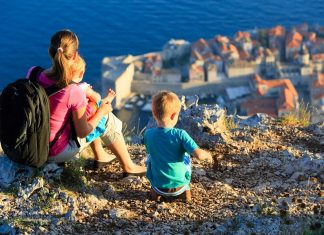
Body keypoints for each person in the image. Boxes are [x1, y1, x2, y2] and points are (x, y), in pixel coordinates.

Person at [27, 29, 146, 175]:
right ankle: (129, 167)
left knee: (88, 109)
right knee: (106, 117)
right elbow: (83, 132)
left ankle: (101, 156)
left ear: (50, 51)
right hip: (53, 152)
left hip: (32, 143)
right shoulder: (72, 90)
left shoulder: (33, 73)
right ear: (75, 55)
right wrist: (102, 110)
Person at [144, 91, 213, 202]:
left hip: (158, 186)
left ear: (154, 114)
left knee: (151, 157)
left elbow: (148, 148)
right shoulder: (181, 134)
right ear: (173, 115)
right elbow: (199, 155)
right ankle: (186, 193)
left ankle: (154, 194)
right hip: (180, 186)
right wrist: (208, 155)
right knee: (186, 157)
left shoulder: (148, 134)